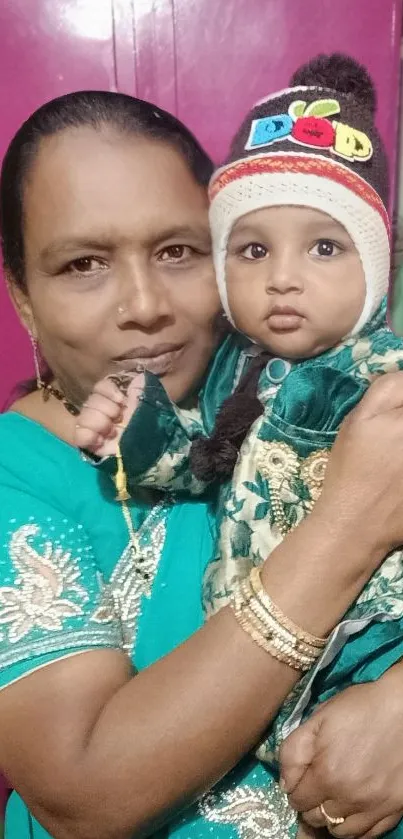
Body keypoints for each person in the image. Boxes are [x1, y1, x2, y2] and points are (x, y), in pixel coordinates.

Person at [2, 88, 403, 839]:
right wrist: (352, 525)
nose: (146, 304)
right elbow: (84, 791)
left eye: (178, 251)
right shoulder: (15, 475)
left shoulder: (321, 388)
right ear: (24, 298)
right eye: (83, 263)